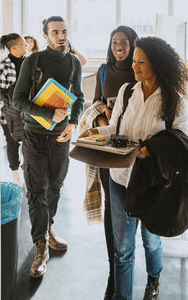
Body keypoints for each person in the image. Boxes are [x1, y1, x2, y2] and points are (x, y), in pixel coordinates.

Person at [79, 36, 188, 299]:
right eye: (134, 61)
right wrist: (95, 131)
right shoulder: (128, 91)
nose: (134, 67)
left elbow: (182, 144)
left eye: (141, 62)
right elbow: (116, 130)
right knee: (122, 248)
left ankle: (153, 280)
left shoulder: (176, 101)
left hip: (153, 183)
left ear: (158, 65)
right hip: (119, 180)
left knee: (151, 241)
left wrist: (152, 149)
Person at [13, 16, 84, 278]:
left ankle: (48, 226)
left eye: (64, 31)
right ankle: (40, 245)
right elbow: (18, 100)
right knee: (36, 188)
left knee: (55, 185)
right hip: (34, 136)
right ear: (45, 35)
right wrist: (45, 112)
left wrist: (73, 123)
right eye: (55, 32)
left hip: (60, 138)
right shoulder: (33, 62)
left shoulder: (74, 63)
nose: (61, 36)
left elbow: (79, 98)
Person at [81, 26, 138, 300]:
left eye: (124, 42)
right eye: (114, 42)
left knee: (133, 205)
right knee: (111, 208)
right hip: (109, 149)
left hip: (134, 149)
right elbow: (96, 105)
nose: (119, 46)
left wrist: (120, 121)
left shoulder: (141, 69)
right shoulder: (104, 71)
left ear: (133, 44)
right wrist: (106, 122)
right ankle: (113, 272)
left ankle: (129, 266)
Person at [0, 33, 27, 185]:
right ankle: (15, 173)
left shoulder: (29, 62)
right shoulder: (4, 67)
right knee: (12, 142)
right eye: (23, 44)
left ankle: (27, 171)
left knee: (28, 142)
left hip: (27, 112)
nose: (26, 46)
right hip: (7, 114)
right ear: (14, 47)